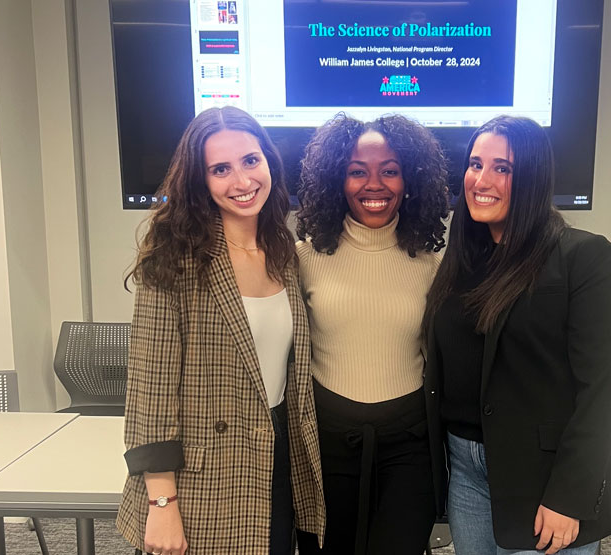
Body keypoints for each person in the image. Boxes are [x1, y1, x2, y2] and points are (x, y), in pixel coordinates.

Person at [117, 106, 325, 555]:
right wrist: (162, 501)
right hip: (200, 475)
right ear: (200, 181)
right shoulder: (173, 259)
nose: (242, 180)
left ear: (269, 162)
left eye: (251, 161)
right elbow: (150, 390)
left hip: (276, 453)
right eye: (220, 169)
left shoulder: (283, 250)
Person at [423, 116, 611, 555]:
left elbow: (604, 390)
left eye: (503, 168)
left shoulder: (584, 257)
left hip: (545, 479)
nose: (482, 179)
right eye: (475, 164)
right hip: (466, 470)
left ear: (533, 178)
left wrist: (568, 497)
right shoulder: (463, 261)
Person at [294, 113, 449, 555]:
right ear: (335, 181)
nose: (374, 184)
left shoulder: (433, 266)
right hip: (324, 441)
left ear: (410, 180)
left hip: (409, 448)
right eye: (357, 171)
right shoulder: (302, 259)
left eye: (390, 171)